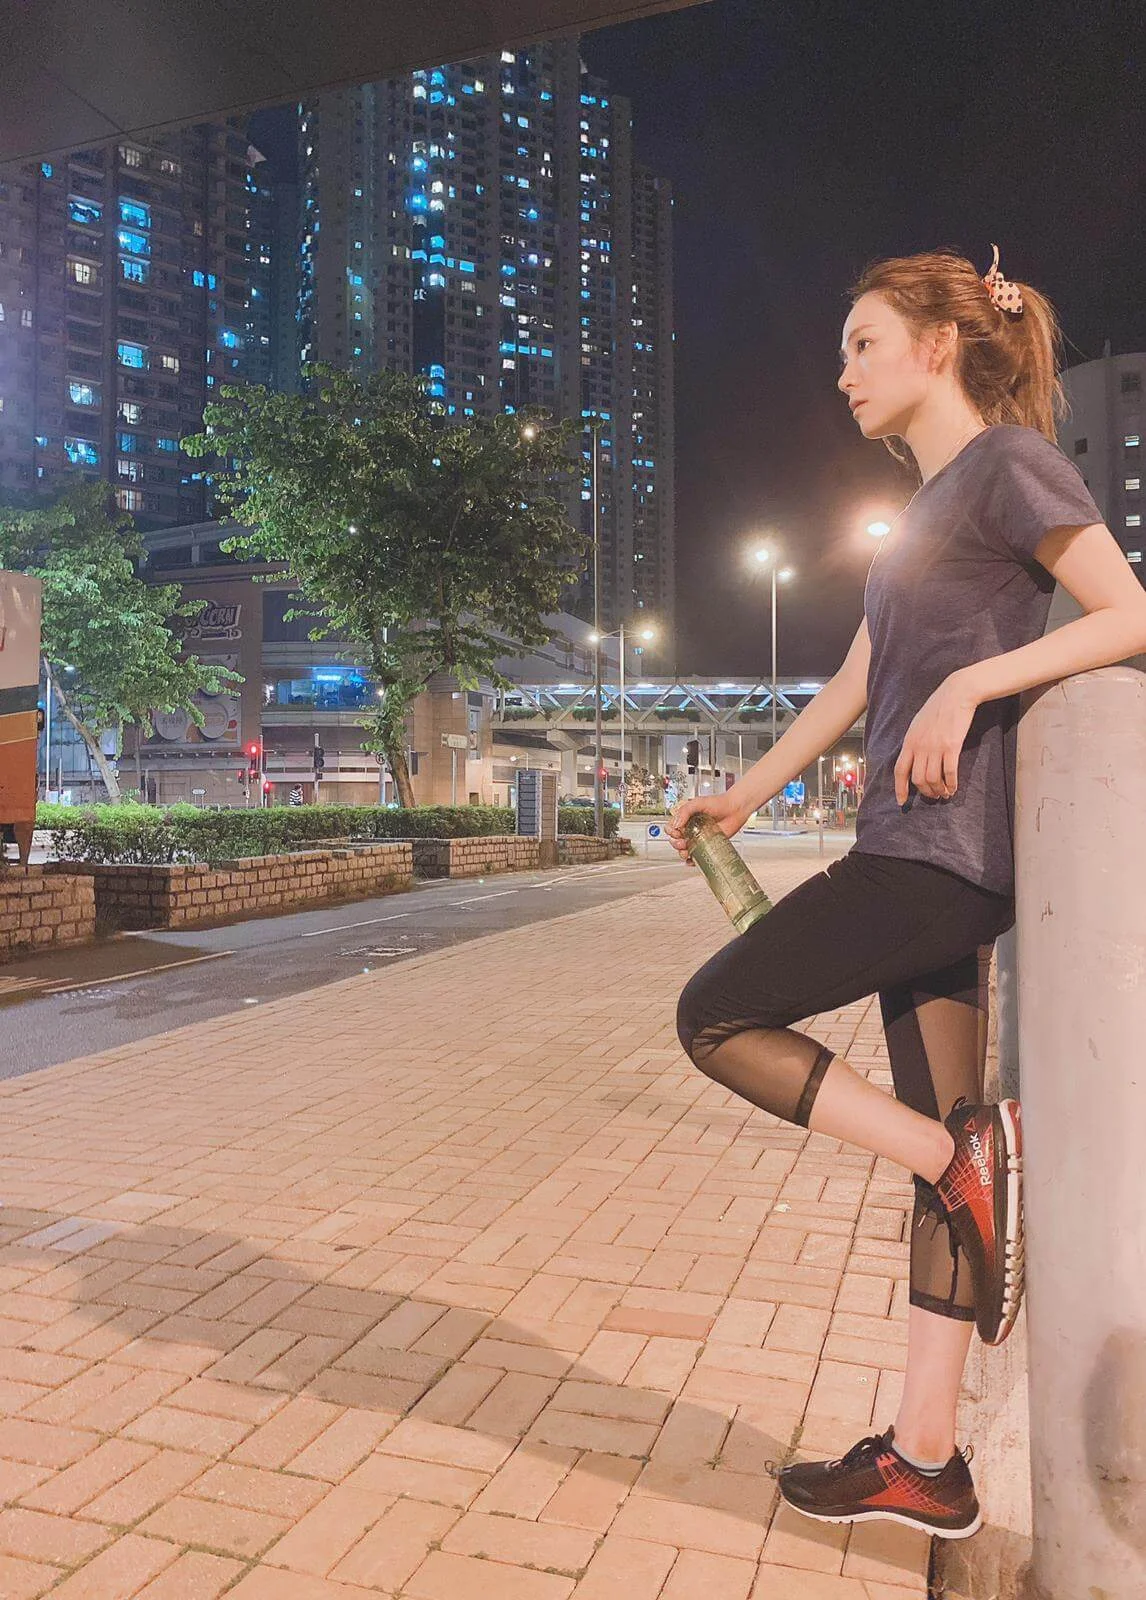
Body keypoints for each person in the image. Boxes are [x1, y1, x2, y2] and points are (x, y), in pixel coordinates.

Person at [667, 244, 1146, 1540]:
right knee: (943, 1154)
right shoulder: (926, 512)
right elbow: (852, 682)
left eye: (863, 345)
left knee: (714, 1017)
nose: (843, 373)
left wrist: (972, 684)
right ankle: (925, 1459)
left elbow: (1128, 612)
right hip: (914, 845)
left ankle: (960, 1158)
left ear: (939, 346)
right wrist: (745, 794)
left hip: (936, 855)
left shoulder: (1007, 465)